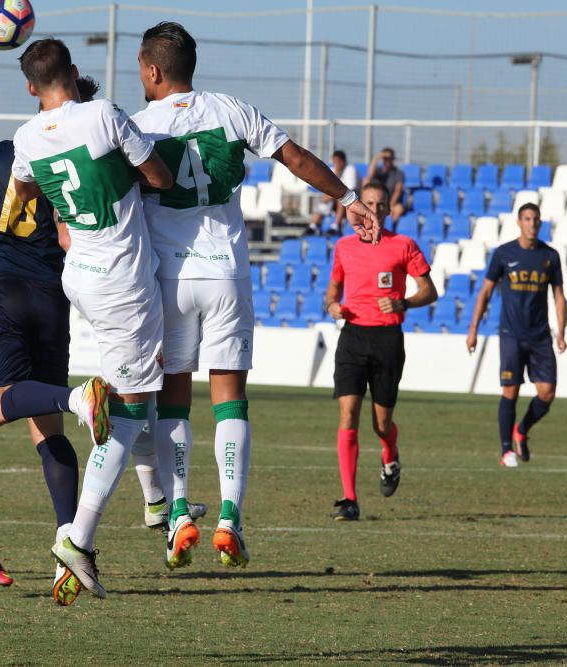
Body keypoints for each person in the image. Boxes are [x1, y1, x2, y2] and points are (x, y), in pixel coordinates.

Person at [131, 21, 380, 567]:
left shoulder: (137, 125)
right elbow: (294, 158)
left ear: (152, 70)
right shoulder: (231, 109)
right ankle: (228, 517)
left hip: (169, 280)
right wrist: (348, 198)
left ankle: (176, 514)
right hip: (226, 275)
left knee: (173, 397)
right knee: (230, 397)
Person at [0, 75, 117, 605]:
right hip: (52, 295)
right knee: (46, 432)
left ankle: (78, 396)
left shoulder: (1, 153)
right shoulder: (85, 158)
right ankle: (72, 543)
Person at [7, 37, 173, 599]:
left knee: (139, 393)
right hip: (122, 280)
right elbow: (159, 178)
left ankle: (158, 503)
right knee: (126, 414)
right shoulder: (103, 113)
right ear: (74, 74)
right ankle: (75, 540)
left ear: (32, 87)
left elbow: (26, 190)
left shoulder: (27, 137)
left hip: (79, 274)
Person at [326, 182, 436, 520]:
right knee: (348, 415)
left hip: (388, 339)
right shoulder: (343, 247)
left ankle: (390, 454)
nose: (373, 209)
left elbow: (430, 291)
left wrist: (403, 302)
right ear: (357, 207)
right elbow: (333, 290)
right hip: (353, 338)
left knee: (381, 423)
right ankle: (349, 499)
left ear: (388, 210)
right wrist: (333, 306)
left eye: (380, 204)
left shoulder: (403, 245)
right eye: (368, 202)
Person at [466, 202, 566, 467]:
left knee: (547, 392)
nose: (532, 224)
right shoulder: (503, 254)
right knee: (510, 390)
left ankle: (521, 430)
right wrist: (473, 329)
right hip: (511, 333)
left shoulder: (550, 256)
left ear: (540, 224)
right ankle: (506, 451)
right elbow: (485, 292)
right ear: (519, 222)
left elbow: (558, 295)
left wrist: (561, 331)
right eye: (527, 219)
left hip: (540, 335)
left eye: (536, 220)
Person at [311, 150, 360, 235]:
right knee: (324, 199)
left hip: (353, 200)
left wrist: (329, 197)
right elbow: (327, 188)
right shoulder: (333, 170)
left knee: (342, 198)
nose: (336, 164)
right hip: (335, 199)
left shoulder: (351, 170)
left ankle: (336, 226)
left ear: (343, 161)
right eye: (334, 162)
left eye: (338, 162)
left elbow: (349, 190)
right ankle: (313, 225)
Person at [363, 148, 405, 225]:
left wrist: (389, 205)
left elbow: (398, 191)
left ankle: (390, 229)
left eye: (390, 158)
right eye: (385, 158)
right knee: (366, 180)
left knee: (399, 209)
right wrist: (378, 157)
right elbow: (369, 176)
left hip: (391, 203)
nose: (388, 161)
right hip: (377, 202)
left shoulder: (398, 173)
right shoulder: (378, 171)